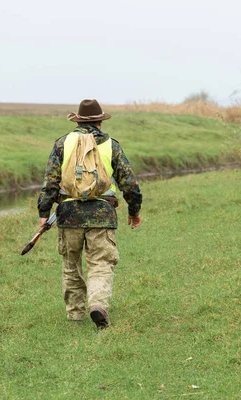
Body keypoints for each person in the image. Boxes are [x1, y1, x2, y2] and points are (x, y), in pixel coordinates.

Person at [37, 99, 143, 330]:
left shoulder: (62, 144)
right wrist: (134, 212)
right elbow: (130, 184)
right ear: (100, 121)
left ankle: (75, 316)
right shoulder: (111, 145)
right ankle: (97, 305)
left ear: (78, 120)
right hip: (102, 214)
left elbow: (50, 182)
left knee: (70, 264)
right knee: (101, 264)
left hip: (68, 214)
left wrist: (44, 212)